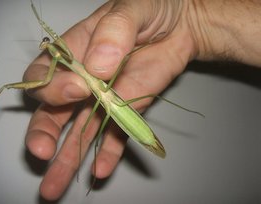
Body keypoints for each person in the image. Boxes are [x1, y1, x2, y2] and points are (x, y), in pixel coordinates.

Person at [24, 0, 261, 200]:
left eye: (49, 42)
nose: (49, 45)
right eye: (48, 44)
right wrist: (191, 16)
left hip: (110, 102)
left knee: (140, 91)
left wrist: (188, 13)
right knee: (92, 129)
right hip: (112, 107)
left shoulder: (73, 58)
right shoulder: (65, 62)